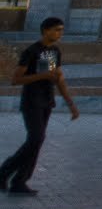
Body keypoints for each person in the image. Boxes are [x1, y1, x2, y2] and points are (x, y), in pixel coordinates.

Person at [0, 16, 80, 195]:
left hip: (46, 101)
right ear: (45, 30)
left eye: (61, 30)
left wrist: (71, 104)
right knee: (35, 139)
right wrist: (43, 76)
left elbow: (56, 77)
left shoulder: (52, 51)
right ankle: (5, 171)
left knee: (37, 141)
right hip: (32, 102)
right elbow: (16, 79)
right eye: (56, 30)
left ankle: (19, 181)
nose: (60, 33)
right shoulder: (32, 51)